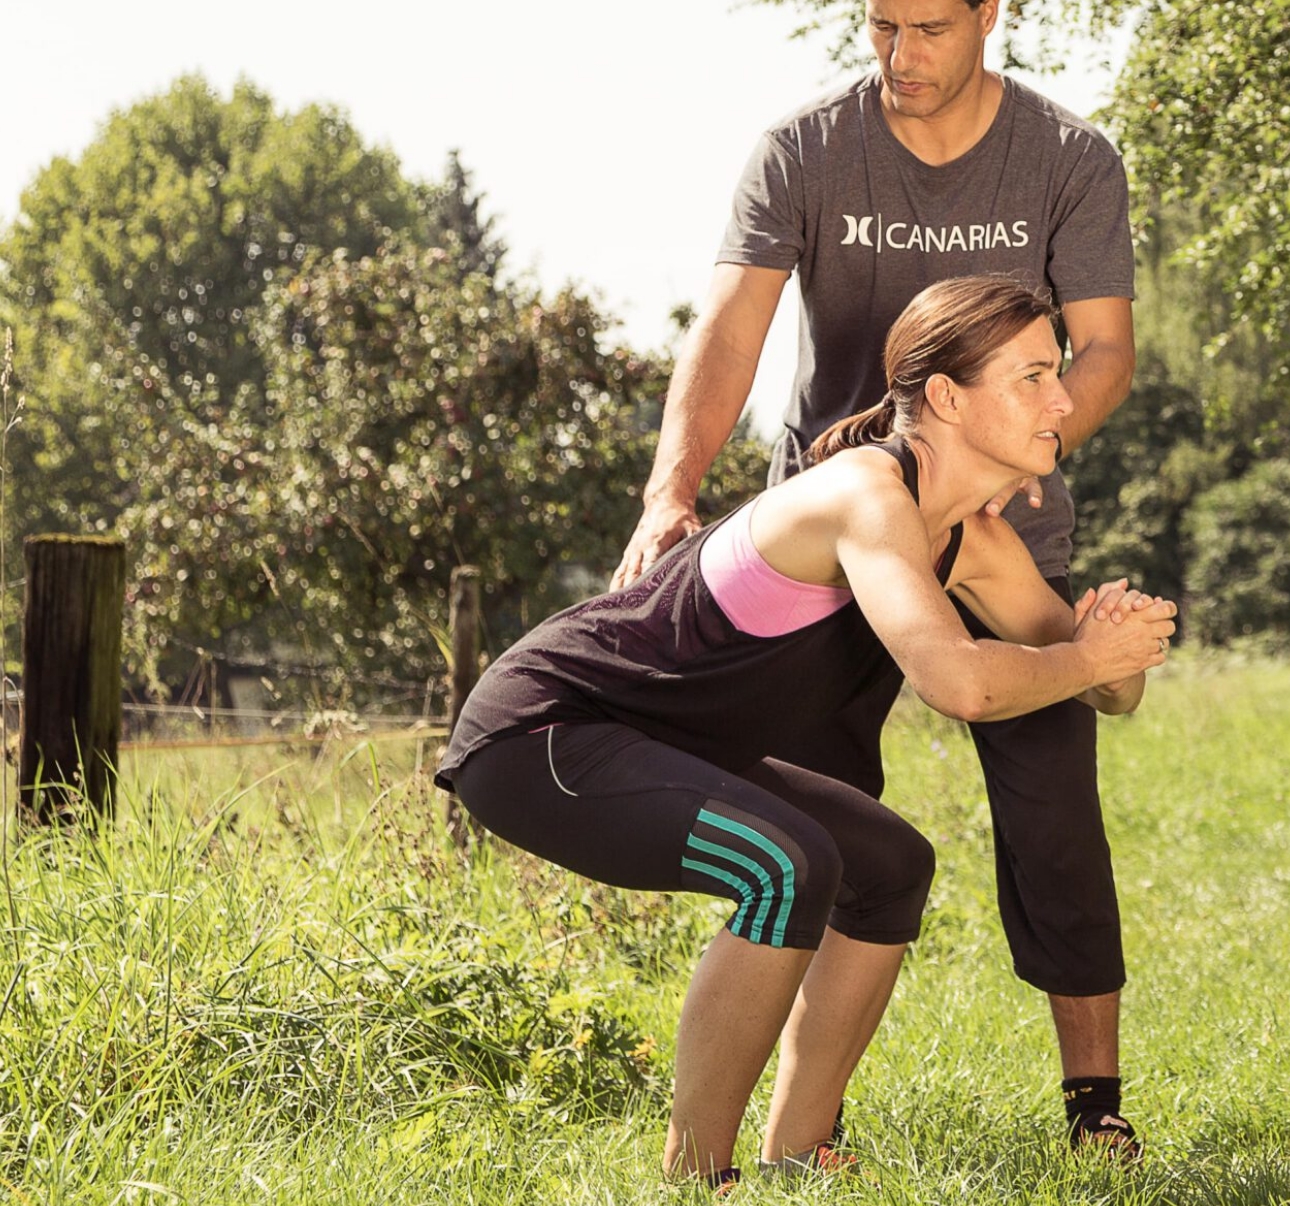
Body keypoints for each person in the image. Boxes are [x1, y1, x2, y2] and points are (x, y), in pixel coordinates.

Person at [611, 0, 1150, 1155]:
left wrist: (1034, 438)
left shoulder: (1070, 160)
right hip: (839, 532)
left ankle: (1095, 1110)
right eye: (880, 29)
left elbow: (1108, 346)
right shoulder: (805, 150)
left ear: (989, 13)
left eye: (929, 30)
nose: (901, 60)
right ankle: (809, 1120)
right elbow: (733, 326)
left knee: (1052, 800)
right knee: (814, 817)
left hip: (998, 515)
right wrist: (669, 494)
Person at [442, 278, 1176, 1189]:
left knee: (889, 865)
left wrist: (1115, 648)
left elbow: (1110, 693)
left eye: (1057, 375)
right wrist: (1089, 657)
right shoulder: (865, 495)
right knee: (787, 864)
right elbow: (963, 686)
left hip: (655, 744)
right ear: (945, 397)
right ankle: (695, 1180)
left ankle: (797, 1153)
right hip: (544, 733)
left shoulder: (977, 544)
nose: (1064, 401)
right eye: (1032, 376)